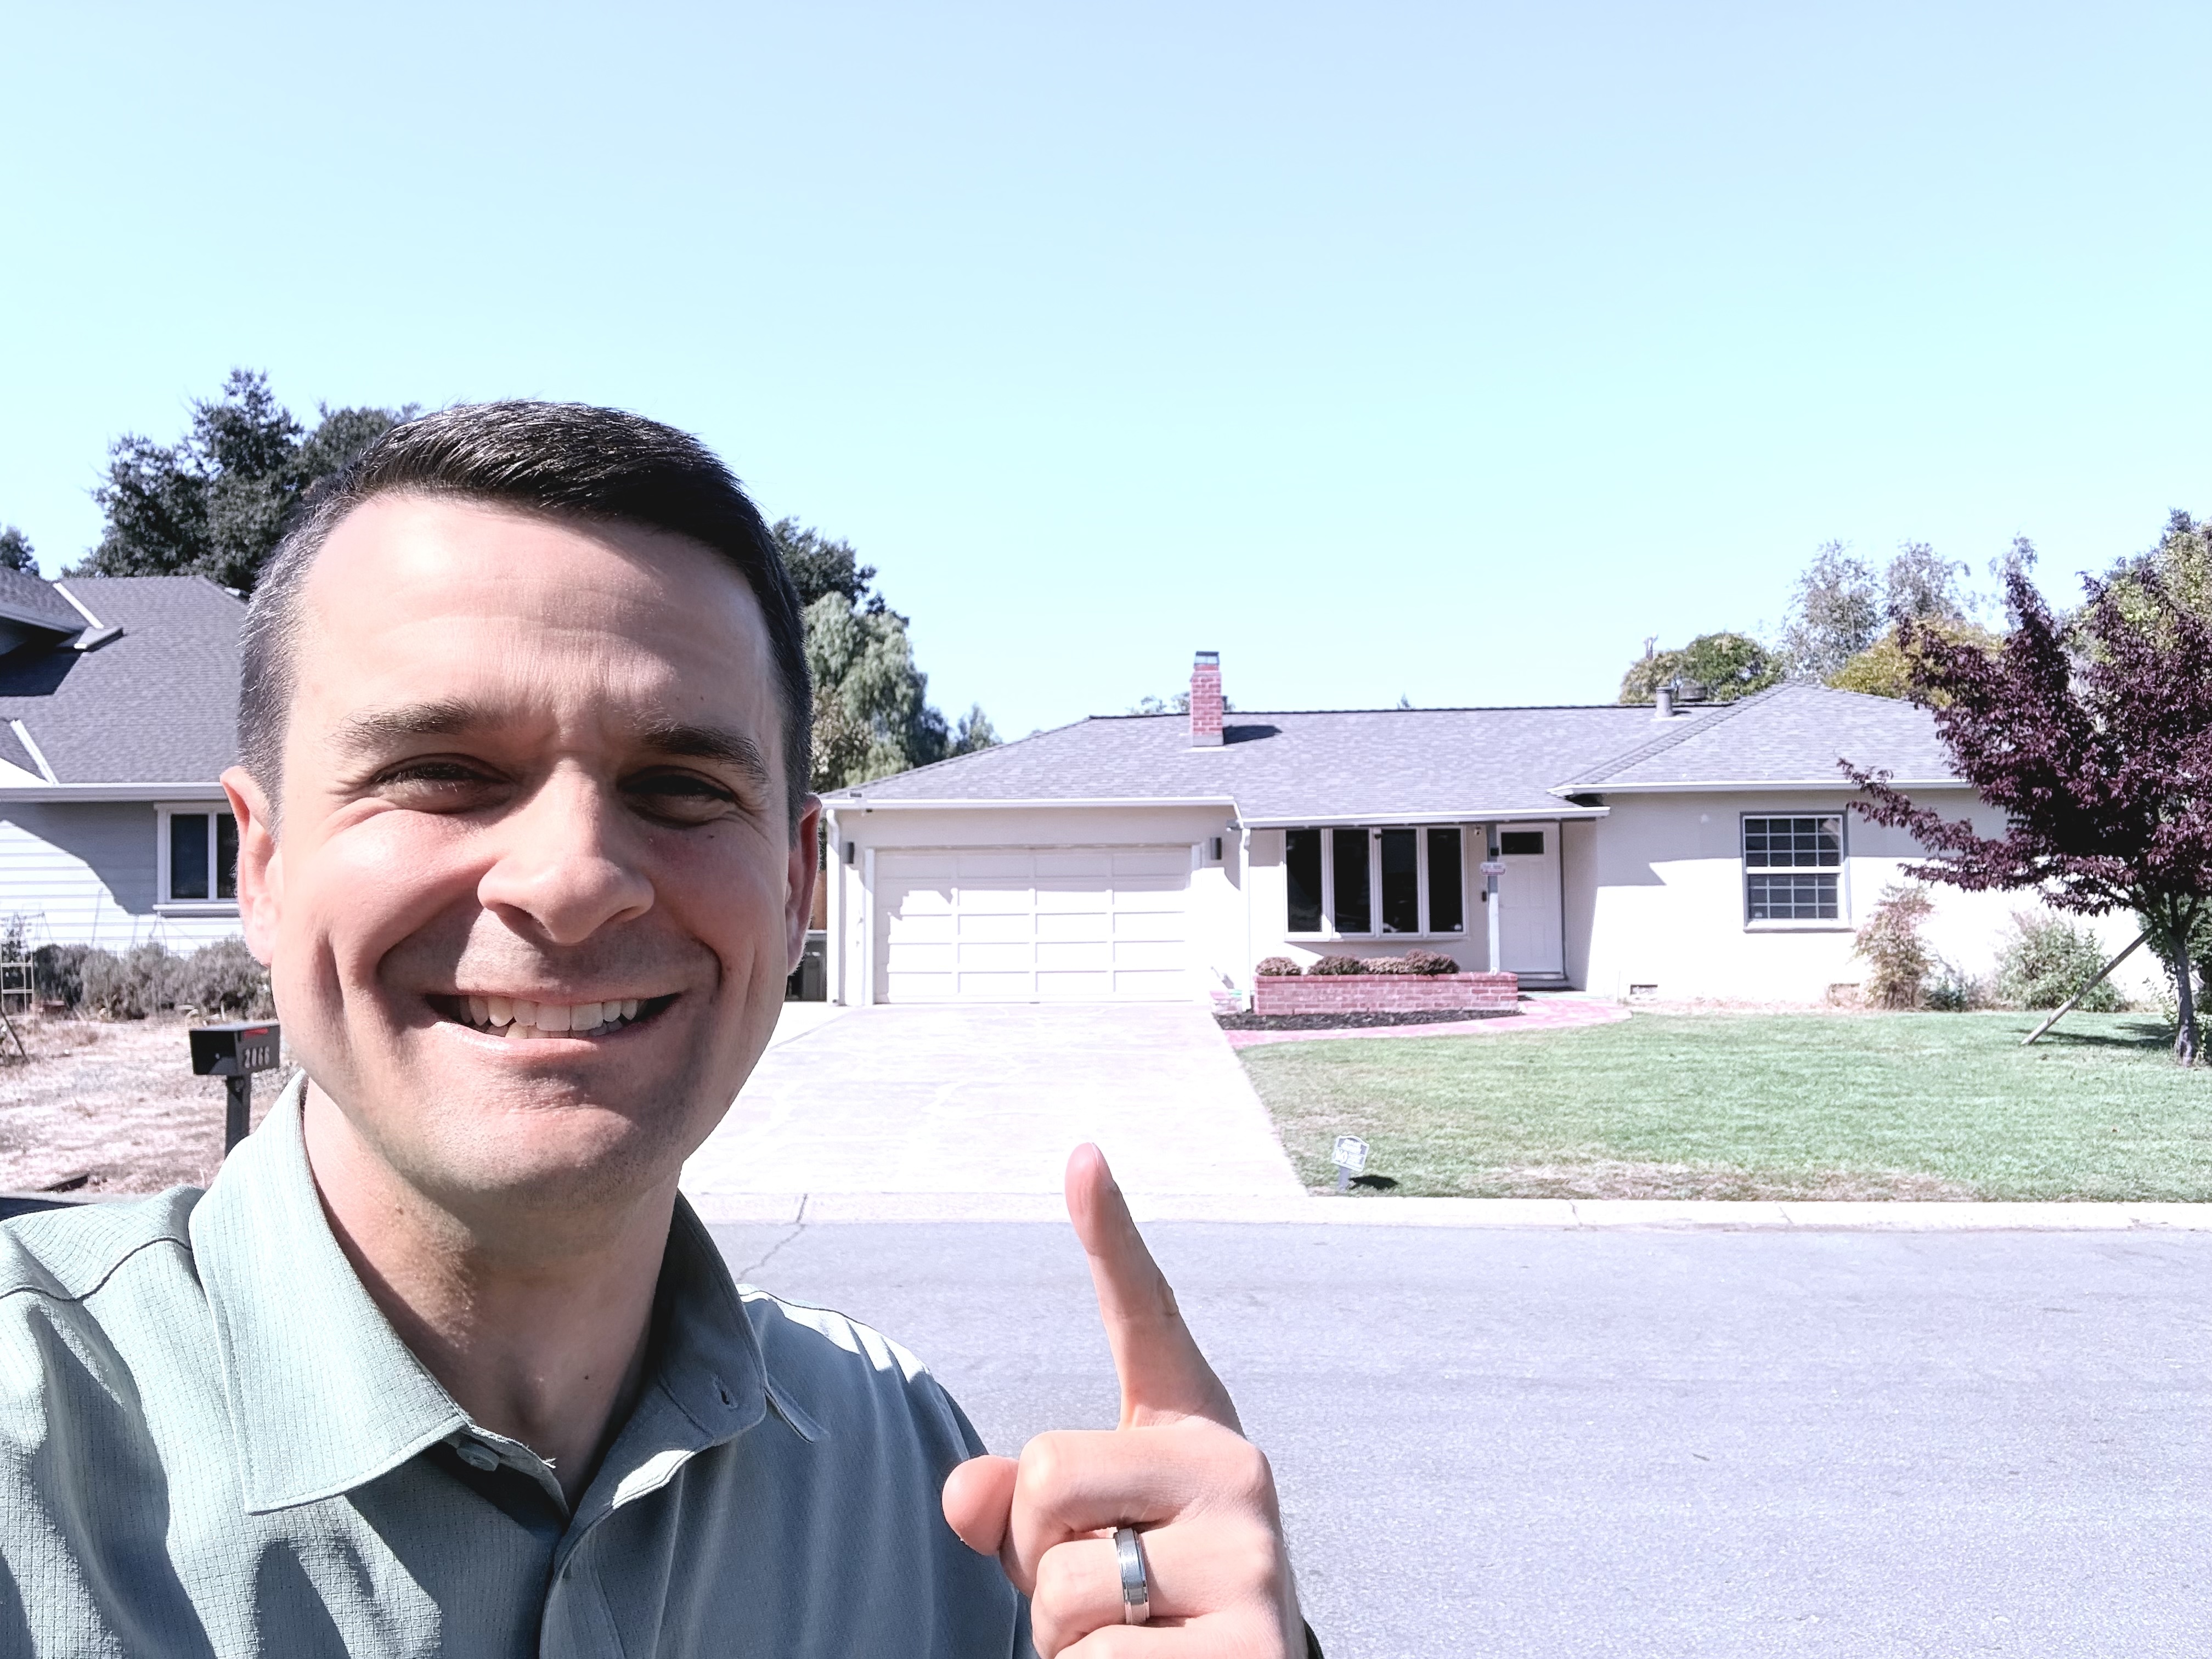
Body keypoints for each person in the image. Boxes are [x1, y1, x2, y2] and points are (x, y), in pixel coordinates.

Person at [0, 403, 1315, 1657]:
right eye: (442, 775)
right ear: (264, 864)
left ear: (796, 886)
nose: (573, 880)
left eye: (680, 786)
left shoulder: (910, 1480)